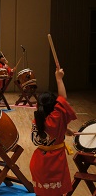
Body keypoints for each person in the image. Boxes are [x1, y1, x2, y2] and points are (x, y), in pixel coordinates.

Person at [29, 67, 77, 196]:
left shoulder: (37, 120)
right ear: (54, 107)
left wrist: (64, 130)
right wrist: (59, 79)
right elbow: (63, 98)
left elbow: (49, 132)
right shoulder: (56, 118)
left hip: (39, 161)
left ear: (38, 106)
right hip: (54, 162)